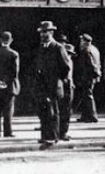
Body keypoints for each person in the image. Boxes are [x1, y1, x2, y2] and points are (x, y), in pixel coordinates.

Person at [33, 21, 72, 149]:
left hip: (54, 84)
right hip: (42, 85)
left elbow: (66, 67)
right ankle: (45, 135)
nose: (43, 35)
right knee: (43, 110)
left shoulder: (58, 47)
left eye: (45, 32)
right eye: (41, 32)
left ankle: (53, 136)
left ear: (51, 32)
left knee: (53, 111)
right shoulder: (41, 48)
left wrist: (58, 79)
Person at [0, 31, 20, 137]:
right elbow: (15, 72)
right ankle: (7, 131)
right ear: (11, 41)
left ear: (0, 40)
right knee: (8, 110)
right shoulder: (14, 54)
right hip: (9, 86)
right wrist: (6, 81)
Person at [76, 33, 101, 123]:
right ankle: (85, 115)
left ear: (85, 42)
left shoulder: (86, 50)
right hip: (91, 76)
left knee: (88, 96)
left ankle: (92, 116)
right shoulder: (94, 49)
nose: (80, 42)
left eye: (81, 40)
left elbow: (91, 65)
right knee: (86, 95)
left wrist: (93, 74)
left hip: (87, 76)